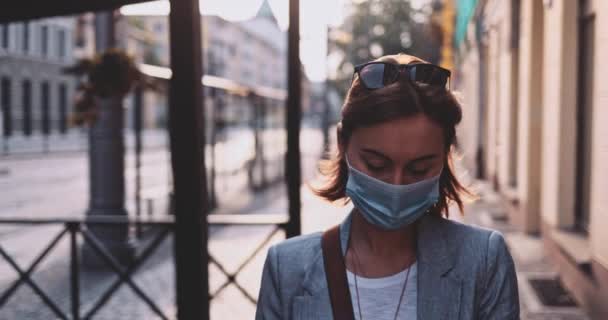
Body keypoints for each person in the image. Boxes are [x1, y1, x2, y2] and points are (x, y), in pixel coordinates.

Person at [255, 53, 519, 320]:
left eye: (419, 169)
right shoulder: (286, 269)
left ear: (445, 156)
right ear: (342, 143)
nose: (396, 185)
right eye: (376, 165)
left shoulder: (483, 261)